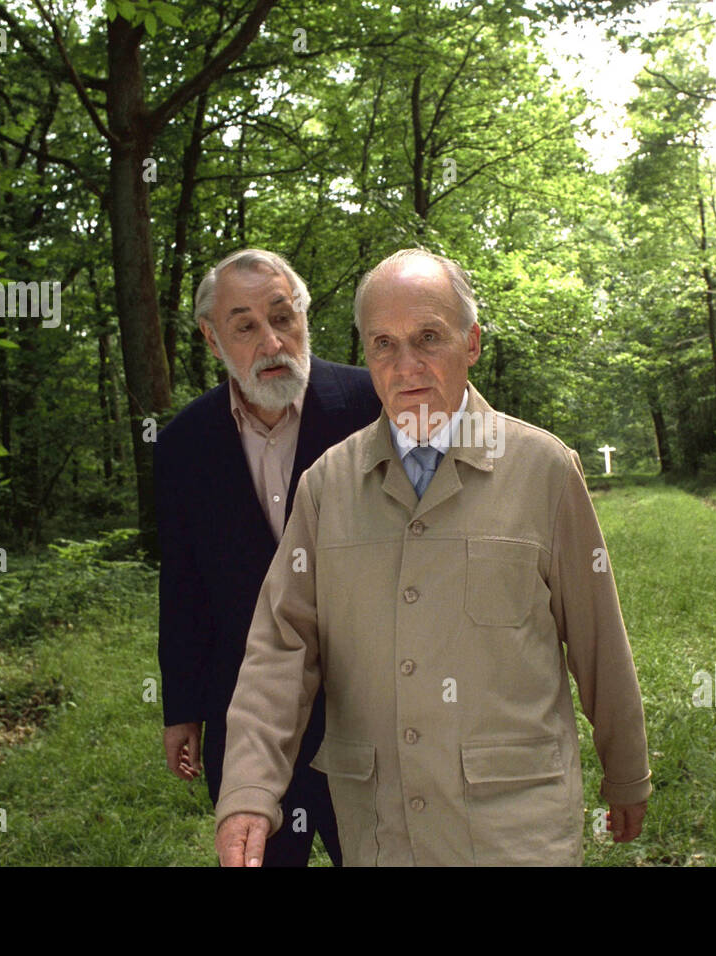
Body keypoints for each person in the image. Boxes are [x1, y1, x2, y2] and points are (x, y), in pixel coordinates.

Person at [214, 248, 651, 866]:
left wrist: (626, 772)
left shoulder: (542, 470)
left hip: (514, 829)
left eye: (428, 338)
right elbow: (279, 649)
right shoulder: (327, 487)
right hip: (381, 832)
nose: (406, 366)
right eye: (383, 344)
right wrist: (250, 789)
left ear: (471, 343)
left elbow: (598, 638)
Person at [155, 249, 381, 866]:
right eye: (246, 326)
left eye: (285, 317)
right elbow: (182, 587)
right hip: (246, 711)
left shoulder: (374, 406)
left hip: (369, 708)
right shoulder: (183, 446)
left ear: (307, 314)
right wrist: (184, 708)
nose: (273, 341)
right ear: (211, 337)